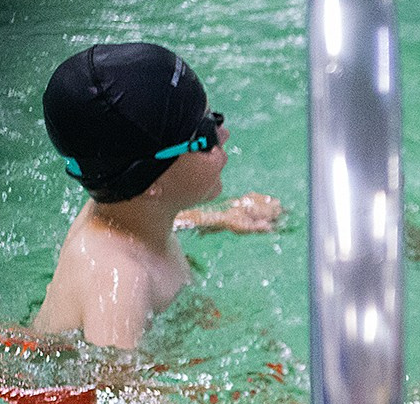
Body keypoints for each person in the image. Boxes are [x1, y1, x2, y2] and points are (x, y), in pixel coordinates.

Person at [33, 43, 282, 348]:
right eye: (204, 135)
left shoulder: (128, 208)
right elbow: (117, 388)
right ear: (149, 178)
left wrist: (218, 218)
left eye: (214, 118)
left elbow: (152, 218)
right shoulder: (120, 281)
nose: (224, 134)